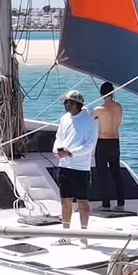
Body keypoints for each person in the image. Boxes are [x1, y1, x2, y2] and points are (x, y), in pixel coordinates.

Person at [52, 89, 97, 229]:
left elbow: (90, 145)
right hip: (64, 166)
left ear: (76, 104)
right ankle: (66, 235)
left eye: (67, 102)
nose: (64, 104)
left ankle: (83, 235)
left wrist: (71, 153)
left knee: (83, 203)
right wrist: (56, 149)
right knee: (65, 202)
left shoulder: (89, 121)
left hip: (80, 168)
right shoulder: (64, 118)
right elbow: (59, 137)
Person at [91, 79, 125, 211]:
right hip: (115, 141)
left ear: (101, 94)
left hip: (103, 142)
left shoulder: (98, 109)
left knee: (102, 174)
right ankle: (120, 203)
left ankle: (106, 204)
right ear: (113, 92)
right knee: (116, 173)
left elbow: (88, 119)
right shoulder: (119, 107)